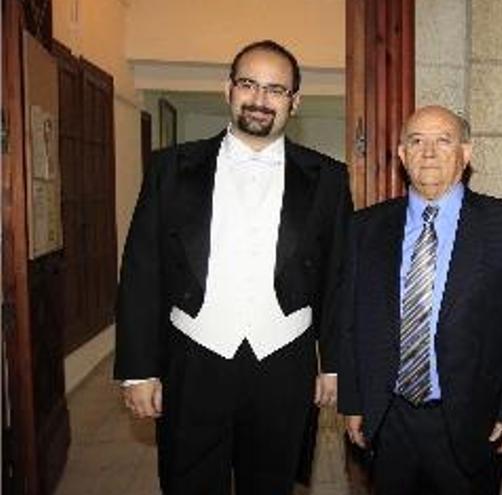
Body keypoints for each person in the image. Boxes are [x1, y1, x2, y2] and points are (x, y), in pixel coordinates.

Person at [114, 40, 352, 494]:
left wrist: (334, 364)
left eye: (276, 89)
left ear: (294, 102)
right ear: (228, 89)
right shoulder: (170, 168)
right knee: (188, 482)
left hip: (284, 360)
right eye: (249, 84)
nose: (261, 99)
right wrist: (140, 369)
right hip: (194, 354)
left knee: (272, 484)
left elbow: (338, 277)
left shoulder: (329, 178)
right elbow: (142, 270)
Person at [339, 105, 502, 494]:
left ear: (466, 154)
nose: (428, 152)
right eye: (416, 141)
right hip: (388, 417)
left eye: (443, 141)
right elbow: (350, 321)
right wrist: (353, 400)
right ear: (402, 155)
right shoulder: (366, 228)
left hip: (470, 419)